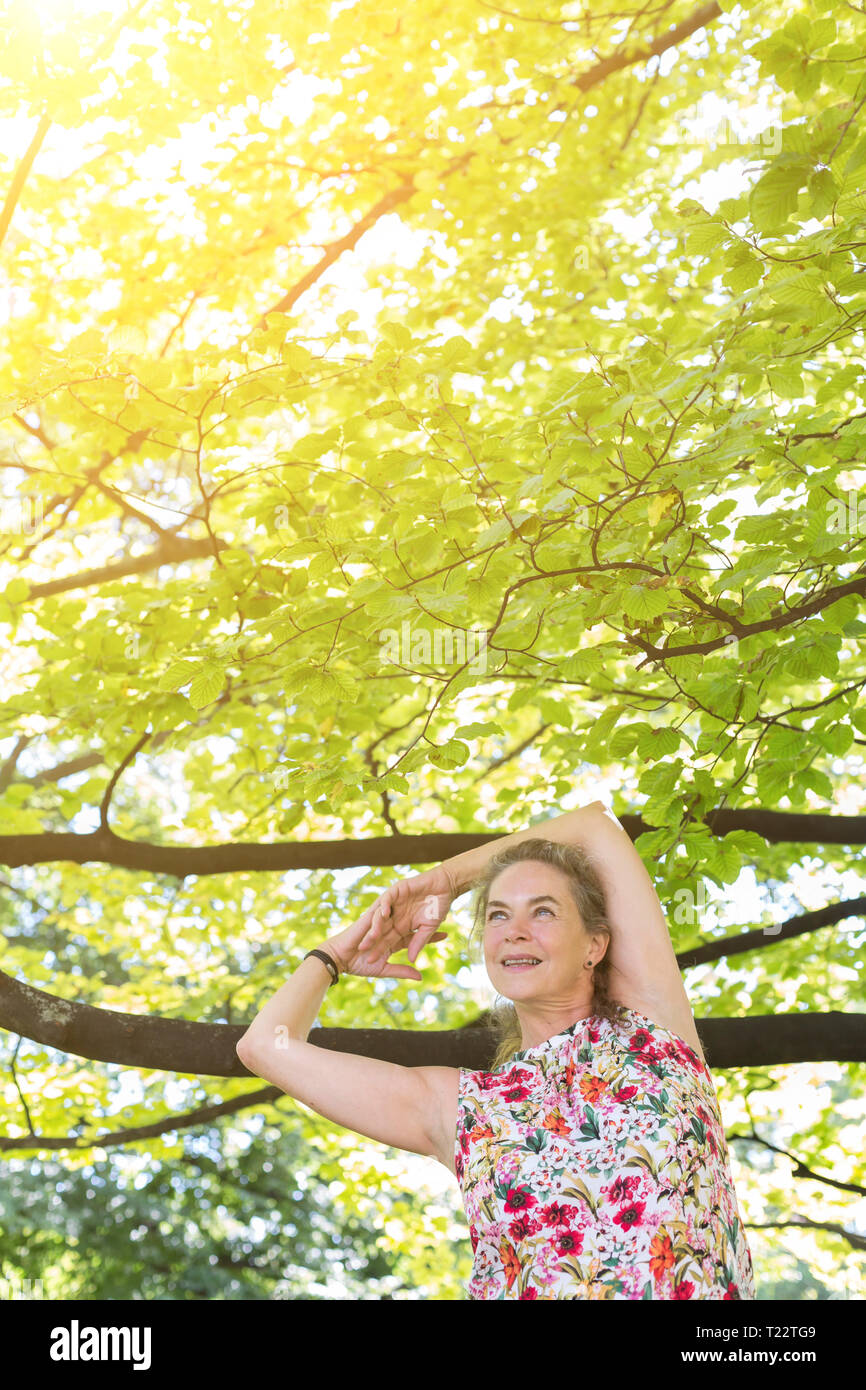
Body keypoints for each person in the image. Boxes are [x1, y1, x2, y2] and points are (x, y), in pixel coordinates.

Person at [235, 798, 757, 1300]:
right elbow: (266, 1045)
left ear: (595, 945)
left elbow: (595, 829)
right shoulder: (464, 1110)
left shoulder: (653, 1032)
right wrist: (334, 955)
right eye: (499, 916)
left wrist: (447, 881)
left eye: (544, 912)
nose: (515, 933)